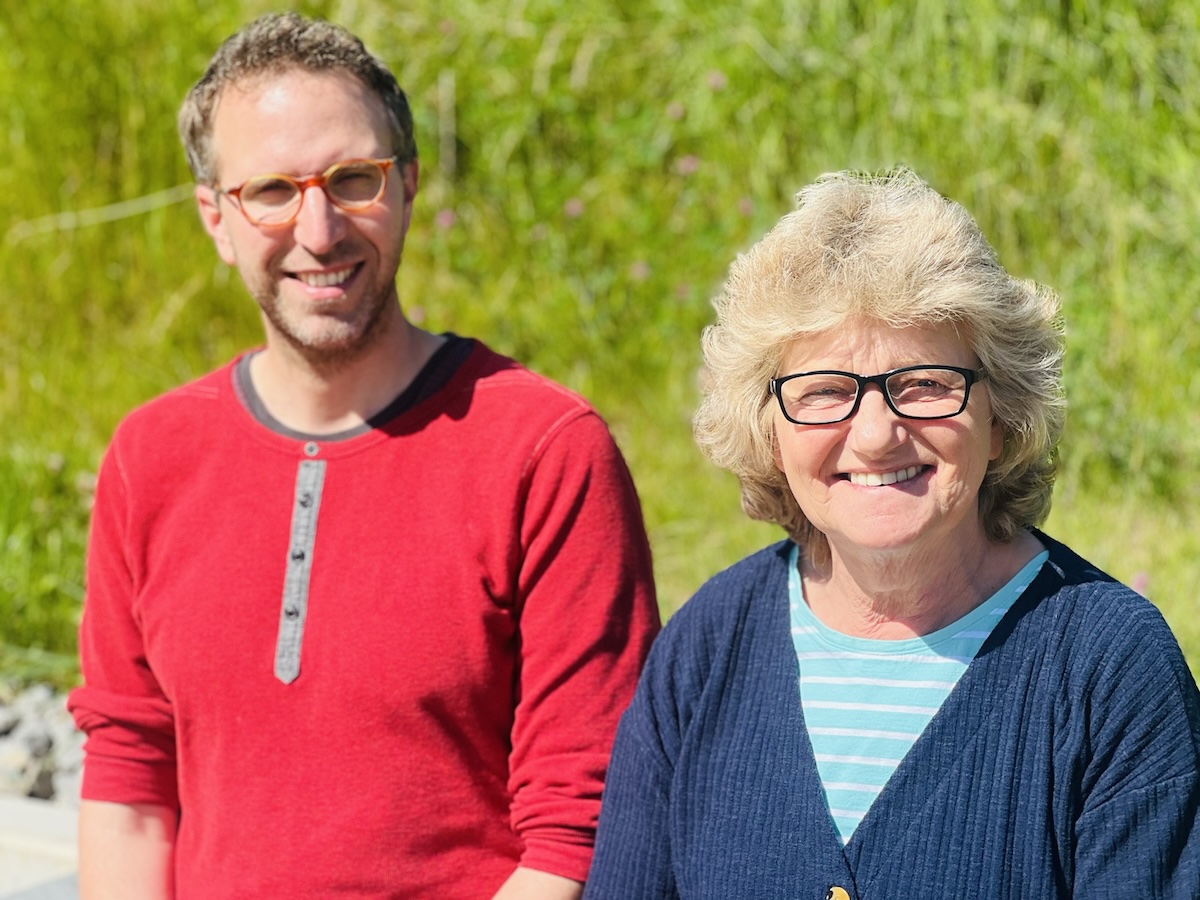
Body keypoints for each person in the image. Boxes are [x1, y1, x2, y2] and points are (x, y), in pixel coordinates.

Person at [68, 12, 660, 900]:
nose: (319, 230)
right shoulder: (151, 458)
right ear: (215, 219)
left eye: (354, 179)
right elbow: (130, 780)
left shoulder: (543, 451)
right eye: (271, 190)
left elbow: (582, 821)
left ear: (410, 184)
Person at [583, 168, 1200, 898]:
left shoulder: (1109, 669)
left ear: (998, 418)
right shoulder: (705, 650)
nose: (876, 434)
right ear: (769, 432)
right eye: (825, 393)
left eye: (925, 384)